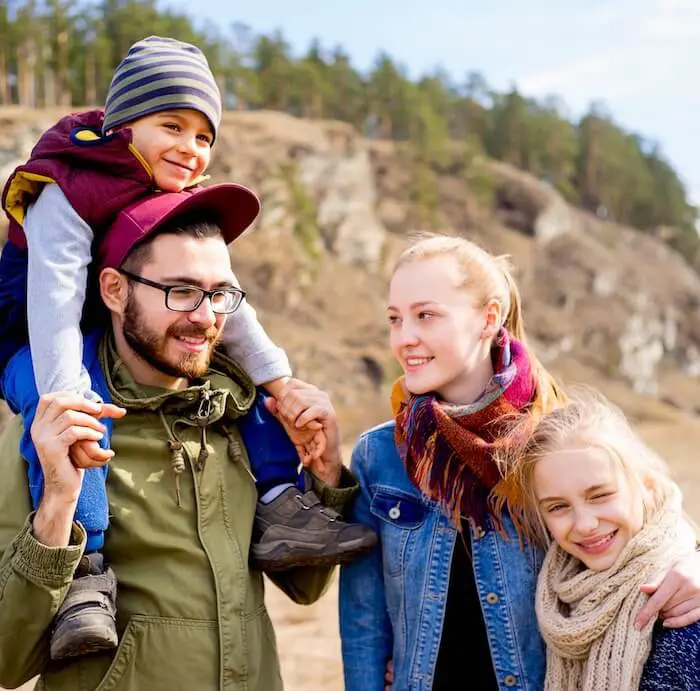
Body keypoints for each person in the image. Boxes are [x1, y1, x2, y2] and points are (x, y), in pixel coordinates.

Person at [0, 35, 375, 660]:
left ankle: (282, 504)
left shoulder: (167, 202)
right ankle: (86, 568)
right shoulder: (66, 187)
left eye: (204, 137)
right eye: (171, 124)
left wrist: (284, 393)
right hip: (31, 338)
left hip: (97, 327)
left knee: (241, 376)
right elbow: (55, 300)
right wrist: (69, 402)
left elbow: (306, 589)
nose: (190, 147)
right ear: (122, 126)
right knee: (69, 415)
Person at [338, 233, 700, 691]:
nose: (405, 338)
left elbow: (646, 514)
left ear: (488, 319)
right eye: (395, 319)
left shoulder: (557, 440)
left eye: (426, 315)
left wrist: (692, 562)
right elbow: (364, 622)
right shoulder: (380, 455)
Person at [509, 387, 700, 690]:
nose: (585, 524)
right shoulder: (551, 604)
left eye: (600, 495)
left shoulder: (686, 611)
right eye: (558, 507)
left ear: (648, 489)